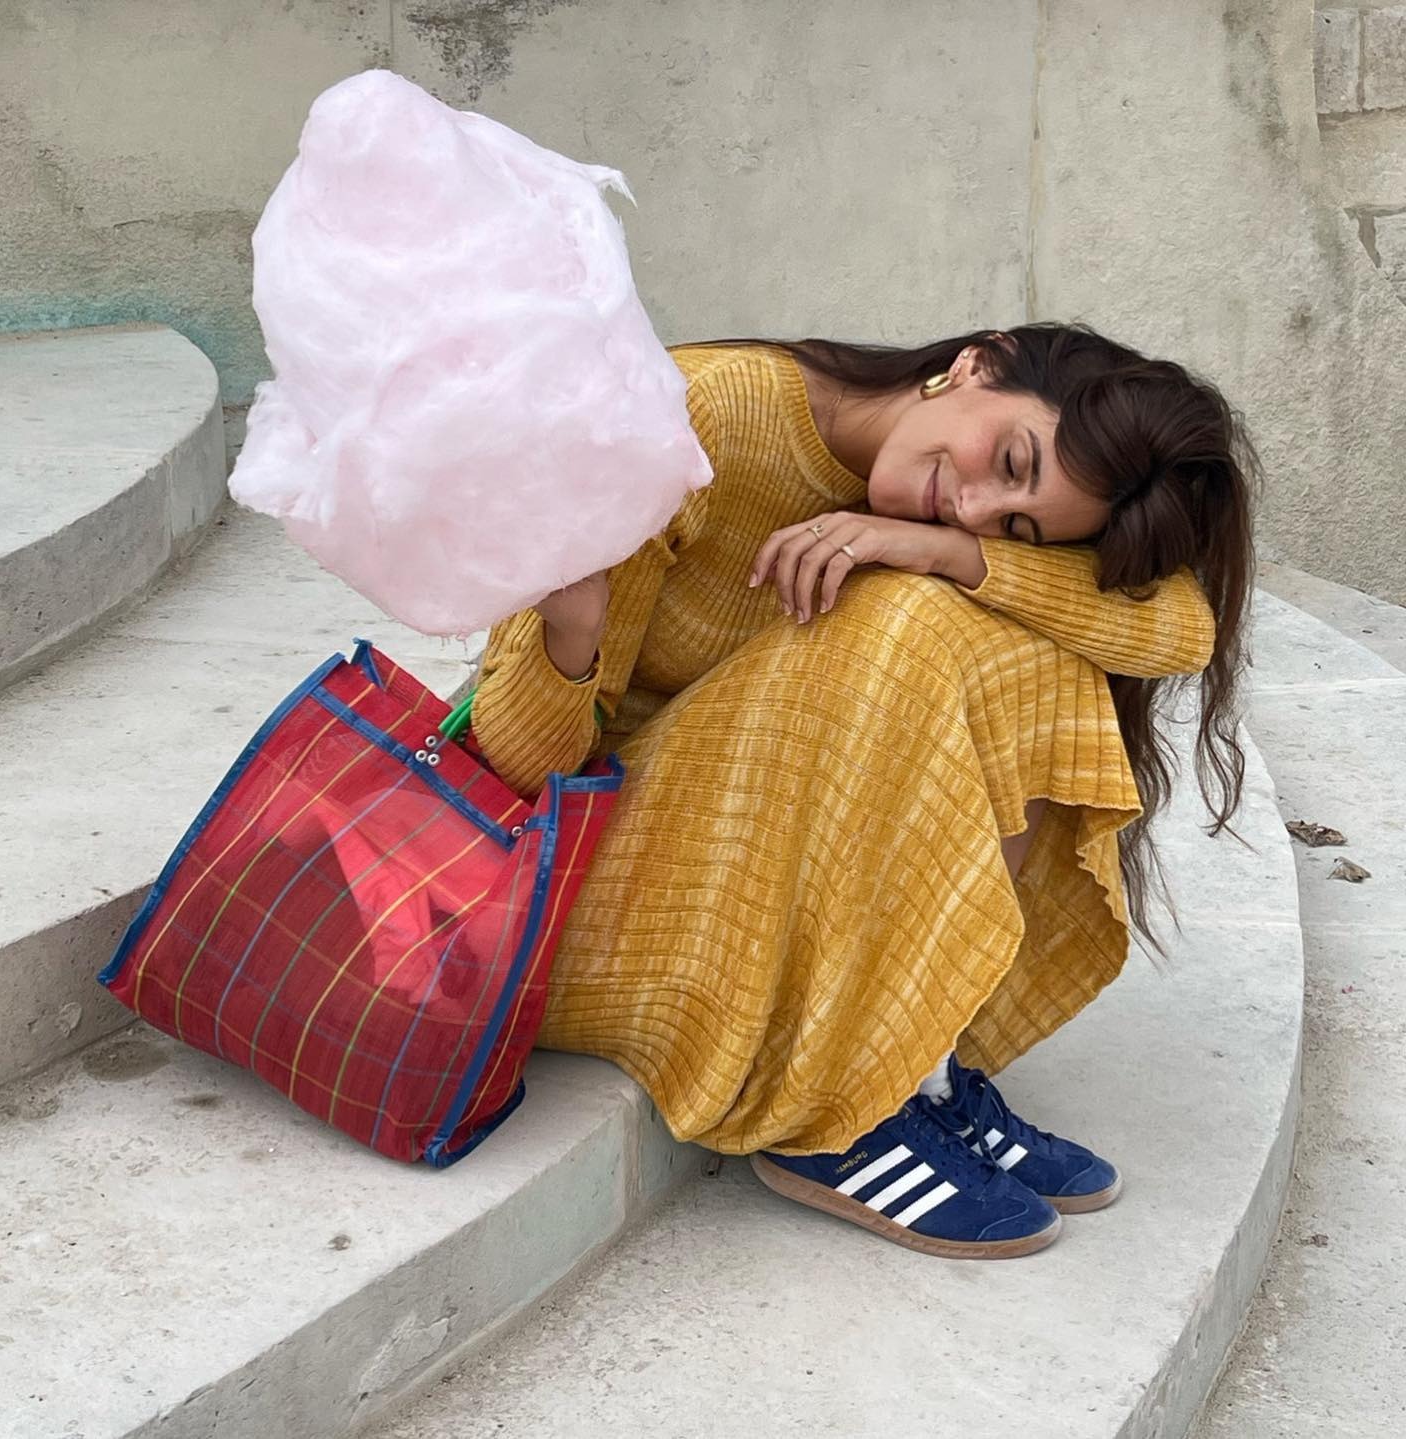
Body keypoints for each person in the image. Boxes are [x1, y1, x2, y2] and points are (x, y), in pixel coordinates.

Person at [469, 323, 1256, 1259]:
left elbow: (1178, 631)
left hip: (739, 873)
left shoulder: (946, 526)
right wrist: (574, 631)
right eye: (1006, 459)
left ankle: (912, 1071)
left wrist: (948, 554)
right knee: (918, 622)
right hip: (579, 888)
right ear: (976, 363)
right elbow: (513, 765)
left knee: (1012, 637)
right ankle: (834, 1114)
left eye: (1017, 524)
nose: (969, 504)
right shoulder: (700, 419)